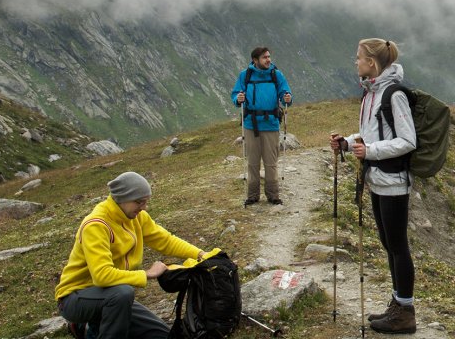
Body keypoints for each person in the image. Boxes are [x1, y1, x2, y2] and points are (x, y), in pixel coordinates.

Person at [330, 38, 418, 334]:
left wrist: (370, 151)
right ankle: (398, 304)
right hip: (377, 179)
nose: (355, 62)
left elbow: (408, 141)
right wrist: (347, 143)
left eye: (359, 58)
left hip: (393, 181)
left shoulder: (393, 95)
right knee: (388, 244)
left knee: (398, 246)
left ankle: (405, 312)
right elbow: (371, 134)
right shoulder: (371, 93)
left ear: (372, 62)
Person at [55, 172, 207, 339]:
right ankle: (85, 323)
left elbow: (165, 240)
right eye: (138, 202)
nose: (143, 207)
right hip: (76, 297)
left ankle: (89, 329)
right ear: (121, 198)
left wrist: (200, 254)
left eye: (145, 201)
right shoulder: (96, 225)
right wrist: (147, 274)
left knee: (163, 335)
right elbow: (102, 276)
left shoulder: (136, 217)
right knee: (122, 294)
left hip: (111, 295)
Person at [231, 46, 293, 206]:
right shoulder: (245, 75)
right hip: (251, 125)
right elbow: (235, 95)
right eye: (265, 57)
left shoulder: (276, 74)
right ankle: (252, 195)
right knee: (252, 161)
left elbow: (285, 91)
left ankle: (273, 195)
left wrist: (287, 97)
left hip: (271, 124)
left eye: (269, 57)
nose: (269, 60)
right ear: (255, 60)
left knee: (271, 161)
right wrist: (238, 98)